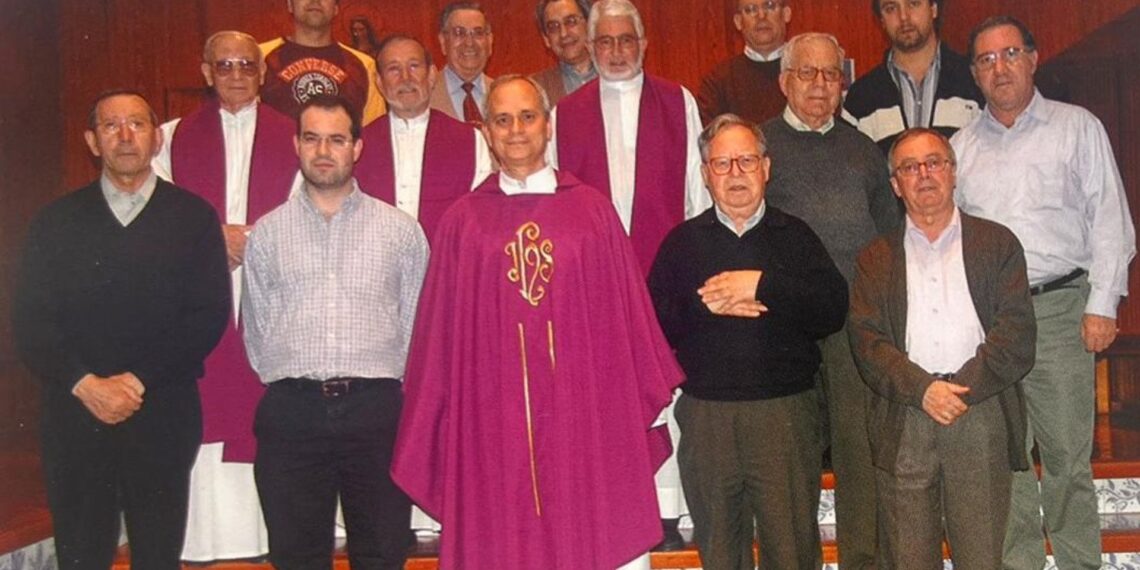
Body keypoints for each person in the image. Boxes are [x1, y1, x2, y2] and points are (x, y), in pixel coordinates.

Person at [391, 75, 684, 570]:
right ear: (487, 132)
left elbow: (625, 325)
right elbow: (439, 341)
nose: (516, 130)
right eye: (502, 120)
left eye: (527, 117)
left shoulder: (592, 212)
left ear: (547, 126)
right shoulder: (463, 222)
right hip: (491, 425)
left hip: (580, 420)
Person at [12, 90, 230, 570]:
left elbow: (207, 315)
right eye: (111, 126)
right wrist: (86, 384)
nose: (125, 136)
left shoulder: (193, 218)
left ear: (156, 139)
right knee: (81, 553)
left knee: (157, 553)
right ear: (93, 141)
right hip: (75, 413)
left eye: (137, 124)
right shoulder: (55, 221)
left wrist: (136, 381)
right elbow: (31, 320)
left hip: (162, 411)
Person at [952, 16, 1136, 570]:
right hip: (995, 321)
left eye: (1010, 53)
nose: (1000, 67)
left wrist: (1102, 304)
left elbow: (1110, 220)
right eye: (987, 59)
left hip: (1061, 310)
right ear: (974, 74)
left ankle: (1080, 564)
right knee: (1007, 458)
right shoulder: (961, 148)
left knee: (1067, 460)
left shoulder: (1077, 128)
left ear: (1033, 59)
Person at [649, 114, 847, 570]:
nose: (735, 173)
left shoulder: (795, 236)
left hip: (783, 418)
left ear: (766, 168)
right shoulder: (681, 243)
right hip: (708, 420)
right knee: (720, 551)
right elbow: (653, 327)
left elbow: (832, 311)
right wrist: (706, 303)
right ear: (705, 174)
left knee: (791, 551)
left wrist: (762, 286)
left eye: (746, 161)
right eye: (722, 164)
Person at [242, 95, 429, 570]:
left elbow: (417, 326)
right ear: (296, 145)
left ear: (357, 147)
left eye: (337, 139)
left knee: (381, 555)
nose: (323, 151)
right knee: (296, 557)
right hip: (293, 413)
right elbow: (258, 330)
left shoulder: (400, 232)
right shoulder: (267, 233)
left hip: (376, 412)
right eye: (312, 138)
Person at [550, 0, 709, 547]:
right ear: (590, 48)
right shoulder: (565, 113)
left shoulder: (678, 101)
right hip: (591, 287)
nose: (616, 51)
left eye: (626, 40)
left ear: (643, 44)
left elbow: (696, 191)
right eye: (605, 42)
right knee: (601, 398)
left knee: (666, 392)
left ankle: (667, 509)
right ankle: (611, 505)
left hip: (664, 276)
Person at [849, 127, 1036, 569]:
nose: (924, 174)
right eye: (909, 167)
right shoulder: (874, 258)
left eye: (934, 162)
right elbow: (868, 343)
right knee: (909, 558)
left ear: (953, 172)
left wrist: (960, 389)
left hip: (979, 411)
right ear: (895, 185)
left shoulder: (998, 244)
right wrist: (923, 390)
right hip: (906, 416)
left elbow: (1016, 335)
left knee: (982, 557)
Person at [150, 30, 296, 562]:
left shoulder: (295, 134)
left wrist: (250, 240)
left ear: (262, 73)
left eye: (246, 65)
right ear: (206, 72)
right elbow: (156, 212)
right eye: (225, 65)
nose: (236, 74)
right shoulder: (169, 138)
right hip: (196, 294)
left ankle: (265, 538)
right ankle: (200, 540)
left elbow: (308, 206)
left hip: (269, 289)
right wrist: (215, 239)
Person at [760, 31, 900, 570]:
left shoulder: (864, 151)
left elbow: (889, 240)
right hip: (784, 328)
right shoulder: (760, 147)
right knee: (791, 456)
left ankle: (863, 561)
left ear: (843, 84)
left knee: (857, 455)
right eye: (806, 73)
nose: (819, 85)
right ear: (784, 82)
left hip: (851, 327)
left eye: (830, 74)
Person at [356, 34, 493, 242]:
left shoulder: (470, 141)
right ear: (380, 83)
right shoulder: (357, 146)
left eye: (414, 66)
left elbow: (481, 219)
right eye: (393, 69)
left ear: (431, 76)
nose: (405, 78)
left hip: (446, 259)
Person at [842, 0, 983, 155]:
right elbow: (851, 164)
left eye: (913, 3)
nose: (903, 17)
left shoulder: (975, 80)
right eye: (891, 8)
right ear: (881, 20)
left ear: (933, 8)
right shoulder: (861, 97)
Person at [259, 0, 385, 124]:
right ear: (290, 5)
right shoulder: (259, 58)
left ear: (336, 8)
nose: (315, 1)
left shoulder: (365, 65)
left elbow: (373, 131)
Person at [696, 0, 791, 125]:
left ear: (786, 14)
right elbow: (710, 133)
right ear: (738, 21)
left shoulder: (806, 73)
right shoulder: (718, 82)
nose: (761, 16)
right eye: (750, 9)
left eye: (769, 6)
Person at [430, 2, 495, 124]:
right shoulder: (425, 96)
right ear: (443, 41)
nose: (469, 43)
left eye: (478, 33)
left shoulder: (504, 93)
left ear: (490, 41)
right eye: (459, 33)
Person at [531, 0, 597, 106]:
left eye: (571, 21)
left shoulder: (616, 74)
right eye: (553, 27)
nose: (563, 33)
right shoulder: (534, 88)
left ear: (589, 25)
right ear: (546, 39)